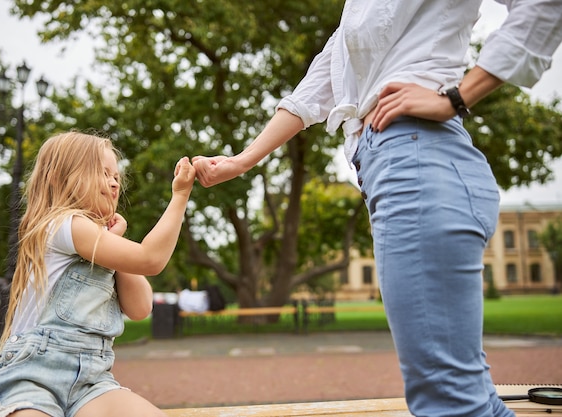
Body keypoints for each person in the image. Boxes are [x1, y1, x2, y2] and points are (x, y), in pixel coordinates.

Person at [192, 1, 562, 416]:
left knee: (450, 402)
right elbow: (313, 89)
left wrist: (456, 96)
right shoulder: (356, 10)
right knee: (464, 398)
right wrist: (243, 160)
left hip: (418, 159)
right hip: (394, 169)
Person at [0, 131, 195, 417]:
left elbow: (140, 307)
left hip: (91, 382)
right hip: (31, 380)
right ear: (63, 177)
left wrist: (117, 244)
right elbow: (150, 259)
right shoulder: (62, 225)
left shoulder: (97, 242)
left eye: (117, 177)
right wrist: (180, 195)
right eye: (102, 172)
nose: (113, 182)